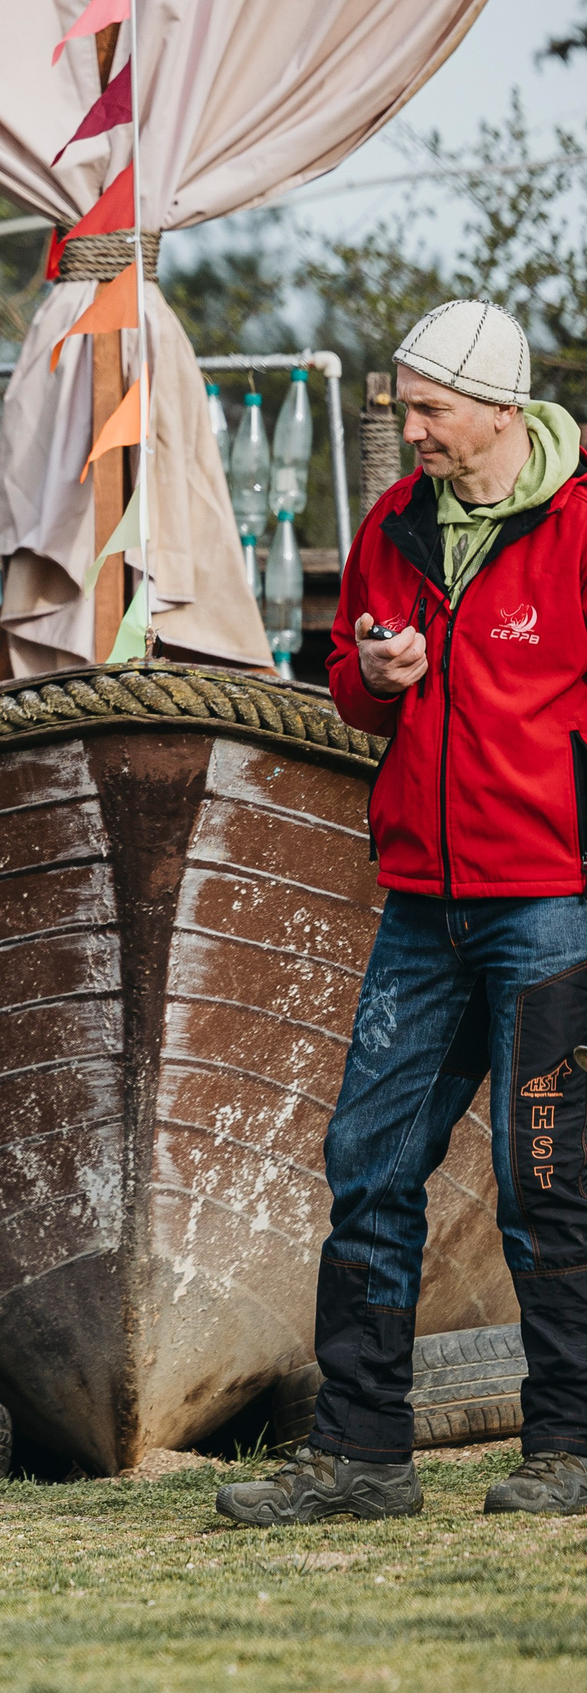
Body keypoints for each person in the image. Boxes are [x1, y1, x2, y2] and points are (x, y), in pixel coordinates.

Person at [219, 300, 587, 1526]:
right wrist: (367, 679)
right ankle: (361, 1459)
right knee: (366, 1164)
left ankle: (572, 1449)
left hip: (551, 904)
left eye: (427, 406)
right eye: (402, 403)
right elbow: (346, 681)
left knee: (551, 1180)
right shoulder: (392, 525)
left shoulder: (580, 524)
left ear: (497, 404)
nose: (408, 426)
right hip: (420, 905)